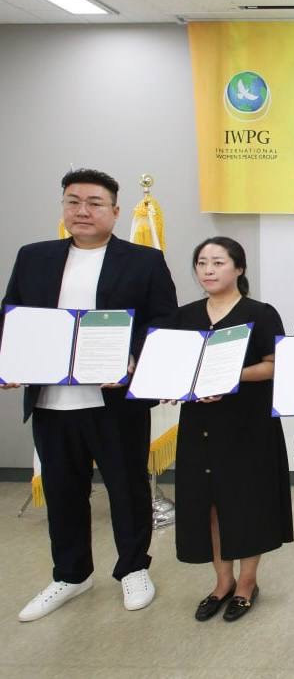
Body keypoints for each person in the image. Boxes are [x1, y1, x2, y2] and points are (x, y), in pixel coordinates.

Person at [2, 169, 178, 622]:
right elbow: (12, 319)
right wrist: (10, 364)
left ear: (115, 212)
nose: (82, 210)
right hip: (50, 401)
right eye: (73, 201)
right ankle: (71, 574)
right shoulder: (34, 257)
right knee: (63, 492)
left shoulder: (143, 262)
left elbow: (165, 324)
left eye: (94, 203)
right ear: (62, 207)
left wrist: (136, 359)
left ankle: (134, 567)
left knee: (127, 489)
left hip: (113, 402)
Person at [171, 237, 293, 622]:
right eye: (202, 263)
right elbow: (172, 365)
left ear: (239, 269)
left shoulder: (260, 312)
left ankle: (246, 582)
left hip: (246, 425)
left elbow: (275, 364)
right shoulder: (185, 315)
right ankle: (221, 582)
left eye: (218, 262)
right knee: (207, 503)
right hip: (198, 425)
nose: (208, 270)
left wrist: (229, 377)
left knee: (245, 503)